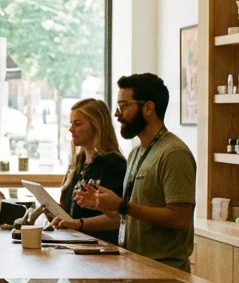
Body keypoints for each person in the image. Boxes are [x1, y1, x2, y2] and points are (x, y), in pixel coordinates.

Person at [76, 73, 196, 271]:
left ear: (148, 108)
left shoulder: (174, 153)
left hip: (164, 272)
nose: (117, 114)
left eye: (124, 106)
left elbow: (179, 218)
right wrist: (106, 207)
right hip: (134, 266)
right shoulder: (135, 153)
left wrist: (122, 206)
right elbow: (133, 213)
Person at [49, 98, 127, 245]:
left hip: (100, 248)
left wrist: (79, 223)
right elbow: (67, 207)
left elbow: (117, 218)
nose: (71, 129)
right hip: (73, 243)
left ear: (96, 126)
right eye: (71, 124)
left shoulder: (113, 164)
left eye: (77, 124)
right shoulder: (78, 162)